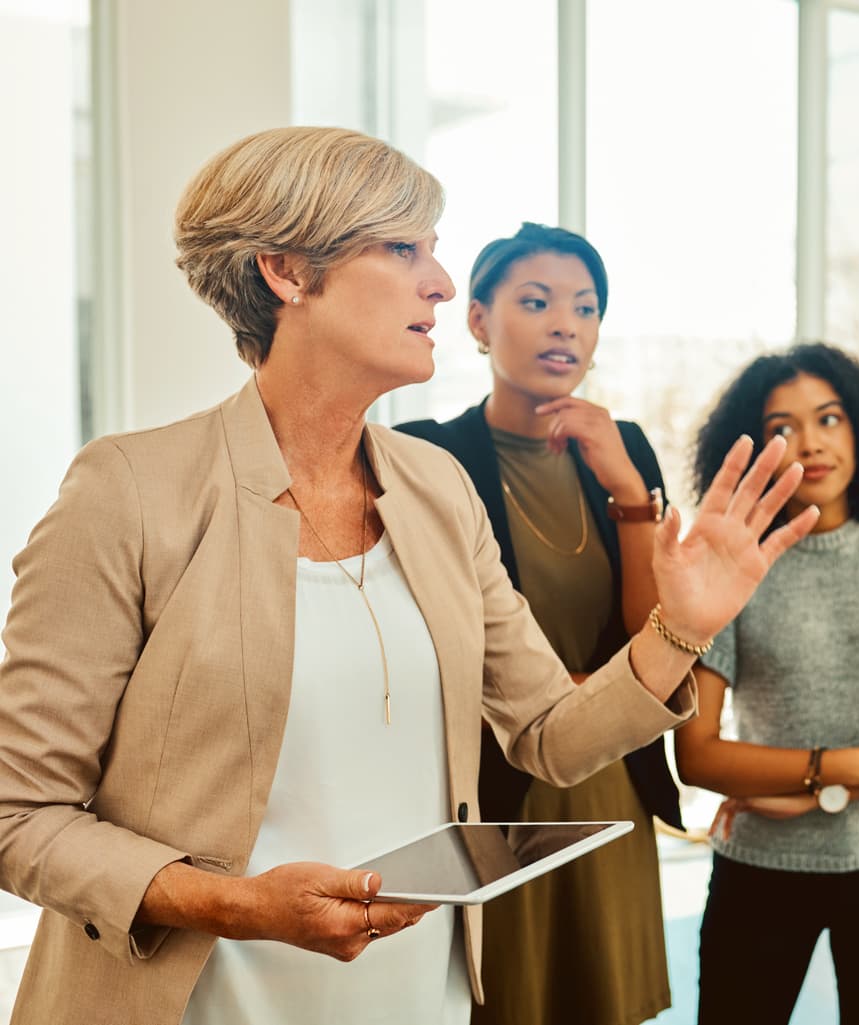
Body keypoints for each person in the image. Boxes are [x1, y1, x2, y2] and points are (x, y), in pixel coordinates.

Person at [0, 126, 816, 1025]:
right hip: (197, 1001)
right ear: (288, 271)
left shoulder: (435, 487)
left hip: (415, 997)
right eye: (403, 248)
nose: (441, 281)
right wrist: (234, 903)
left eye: (433, 249)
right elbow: (20, 812)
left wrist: (682, 626)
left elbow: (549, 732)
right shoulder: (130, 491)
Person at [396, 222, 677, 1025]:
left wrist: (630, 494)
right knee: (504, 1000)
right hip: (493, 789)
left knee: (605, 1000)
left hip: (611, 777)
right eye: (537, 301)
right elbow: (432, 642)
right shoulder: (427, 457)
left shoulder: (627, 449)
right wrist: (574, 692)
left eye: (586, 308)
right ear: (479, 321)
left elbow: (657, 638)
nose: (566, 324)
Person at [675, 343, 859, 1025]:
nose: (810, 442)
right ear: (750, 449)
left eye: (829, 418)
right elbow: (696, 754)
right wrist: (844, 766)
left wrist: (817, 789)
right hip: (761, 867)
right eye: (782, 428)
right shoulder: (732, 566)